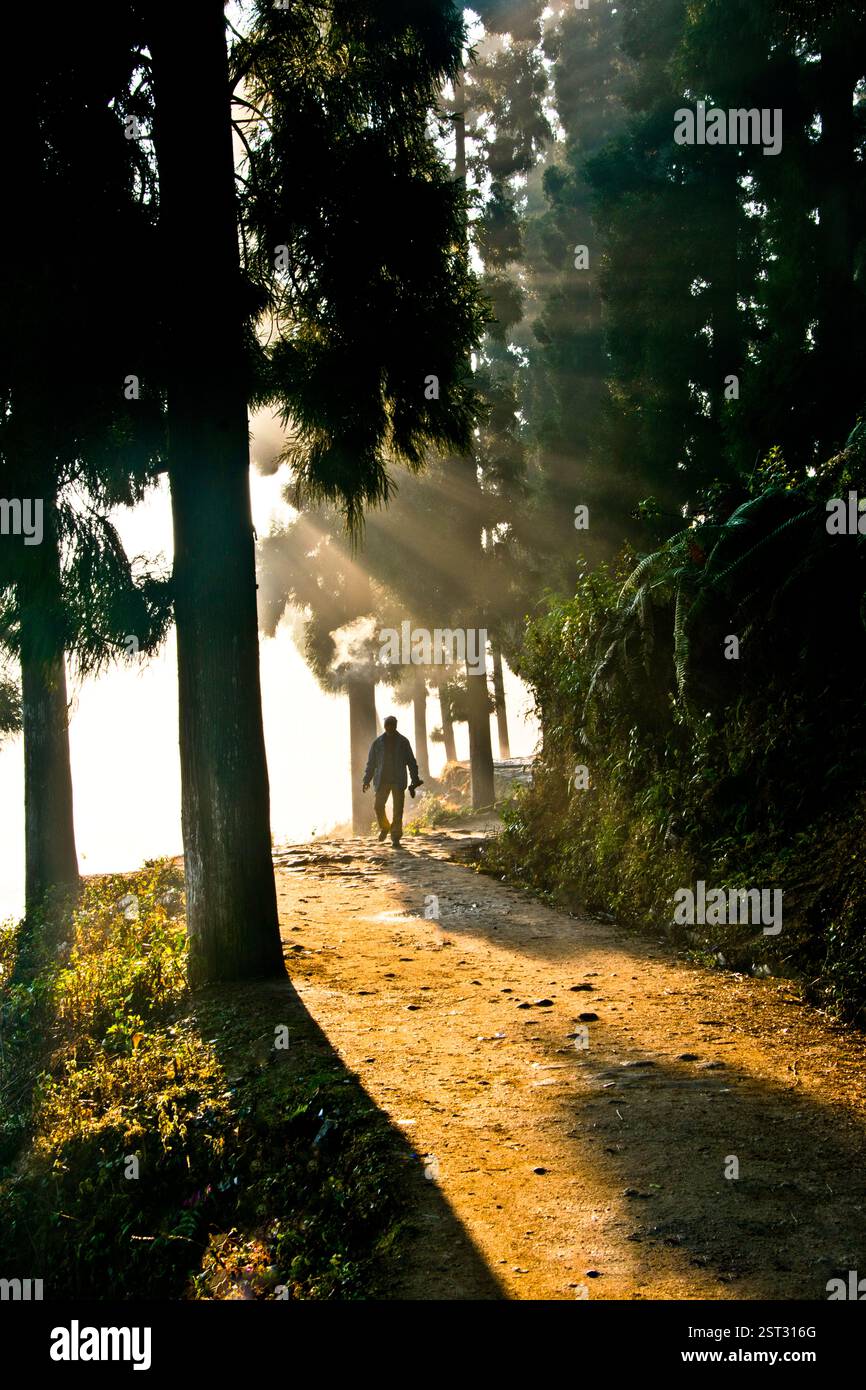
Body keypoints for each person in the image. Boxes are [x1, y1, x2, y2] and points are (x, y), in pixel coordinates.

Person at [362, 715, 423, 846]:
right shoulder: (377, 743)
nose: (390, 727)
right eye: (388, 724)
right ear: (385, 726)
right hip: (382, 780)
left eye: (392, 724)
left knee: (398, 809)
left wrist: (415, 779)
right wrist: (366, 780)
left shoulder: (403, 742)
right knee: (378, 806)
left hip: (398, 780)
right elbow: (371, 764)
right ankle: (385, 827)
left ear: (395, 725)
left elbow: (411, 762)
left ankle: (395, 837)